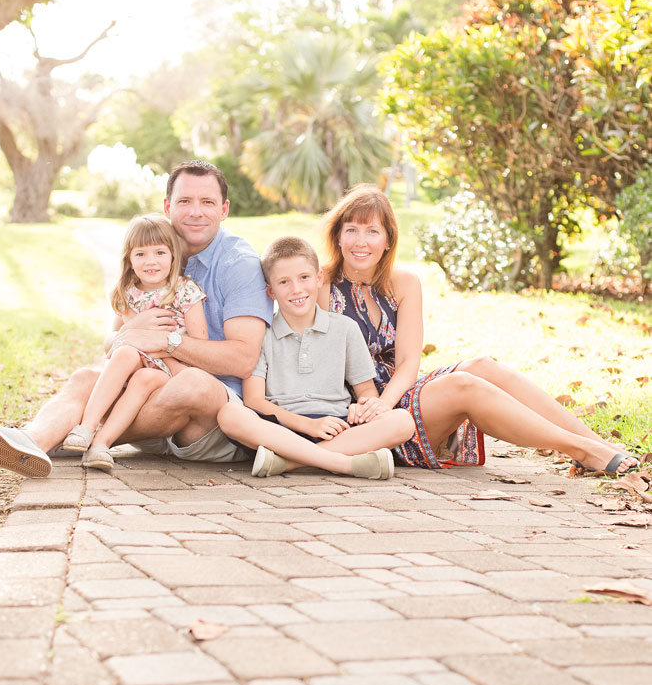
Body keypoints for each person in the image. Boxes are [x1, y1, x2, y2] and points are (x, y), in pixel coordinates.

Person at [0, 161, 273, 477]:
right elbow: (113, 342)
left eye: (207, 202)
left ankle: (73, 436)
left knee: (191, 384)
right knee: (86, 376)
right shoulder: (152, 251)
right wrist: (132, 331)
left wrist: (167, 341)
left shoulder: (238, 264)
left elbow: (244, 360)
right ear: (167, 206)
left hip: (213, 422)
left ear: (224, 209)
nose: (195, 212)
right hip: (155, 409)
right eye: (185, 201)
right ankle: (32, 440)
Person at [318, 183, 639, 476]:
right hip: (361, 416)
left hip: (395, 396)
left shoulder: (403, 283)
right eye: (352, 230)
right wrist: (374, 407)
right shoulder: (321, 283)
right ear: (338, 236)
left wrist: (386, 401)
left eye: (372, 231)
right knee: (464, 385)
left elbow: (407, 364)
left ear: (388, 240)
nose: (361, 242)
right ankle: (581, 449)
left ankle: (598, 444)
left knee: (481, 366)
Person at [217, 236, 415, 479]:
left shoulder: (346, 328)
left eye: (304, 278)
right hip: (279, 428)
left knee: (403, 421)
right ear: (270, 291)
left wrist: (361, 408)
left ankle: (289, 463)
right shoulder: (263, 334)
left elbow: (367, 392)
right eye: (284, 282)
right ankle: (341, 463)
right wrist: (307, 424)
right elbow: (255, 401)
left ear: (319, 278)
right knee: (229, 414)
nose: (296, 289)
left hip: (337, 426)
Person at [61, 213, 208, 473]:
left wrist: (159, 343)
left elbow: (200, 344)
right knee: (127, 353)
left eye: (160, 252)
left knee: (143, 377)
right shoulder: (127, 293)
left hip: (168, 371)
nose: (151, 261)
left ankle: (101, 442)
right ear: (129, 259)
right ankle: (87, 429)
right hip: (129, 367)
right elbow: (112, 343)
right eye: (140, 254)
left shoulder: (185, 291)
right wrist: (132, 329)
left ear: (173, 255)